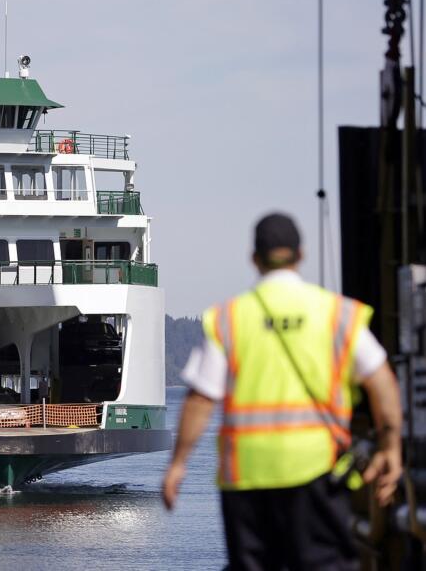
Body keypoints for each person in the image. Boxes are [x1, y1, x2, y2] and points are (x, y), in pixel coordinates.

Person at [162, 213, 403, 570]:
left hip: (247, 476)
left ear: (254, 258)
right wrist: (391, 447)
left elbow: (201, 397)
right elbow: (381, 379)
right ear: (300, 255)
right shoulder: (335, 313)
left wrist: (178, 464)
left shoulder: (231, 318)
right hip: (319, 471)